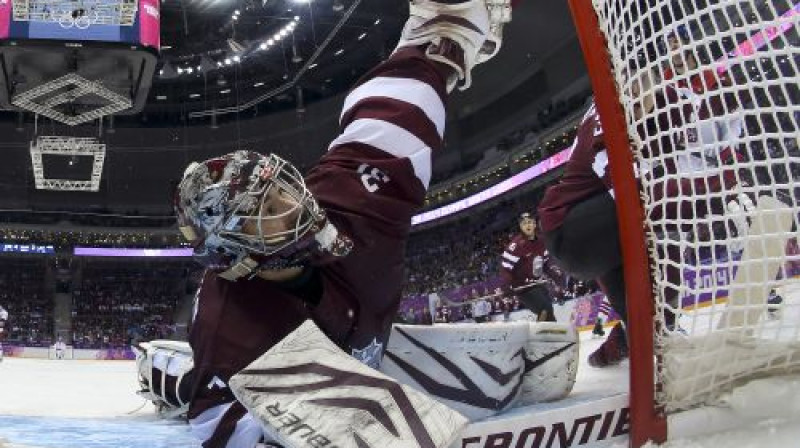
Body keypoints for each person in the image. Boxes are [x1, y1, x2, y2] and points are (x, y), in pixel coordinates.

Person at [154, 2, 515, 447]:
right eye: (268, 211)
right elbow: (216, 424)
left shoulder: (343, 200)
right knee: (184, 385)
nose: (295, 201)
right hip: (288, 360)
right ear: (239, 255)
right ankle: (164, 374)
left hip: (350, 334)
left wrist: (441, 41)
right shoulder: (228, 325)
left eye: (280, 187)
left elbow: (387, 117)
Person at [537, 28, 748, 367]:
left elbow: (706, 146)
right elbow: (632, 194)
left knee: (652, 317)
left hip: (614, 230)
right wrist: (720, 190)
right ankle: (634, 333)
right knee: (658, 214)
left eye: (642, 83)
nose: (636, 92)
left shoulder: (669, 106)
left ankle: (628, 342)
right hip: (572, 231)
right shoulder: (608, 111)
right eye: (629, 84)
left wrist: (728, 176)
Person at [499, 212, 559, 322]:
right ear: (521, 227)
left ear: (535, 224)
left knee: (548, 311)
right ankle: (543, 334)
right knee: (545, 308)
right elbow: (505, 269)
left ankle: (550, 333)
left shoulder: (541, 242)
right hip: (522, 288)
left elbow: (544, 264)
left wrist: (555, 275)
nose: (528, 225)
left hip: (536, 284)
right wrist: (507, 285)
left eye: (530, 222)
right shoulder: (516, 246)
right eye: (524, 223)